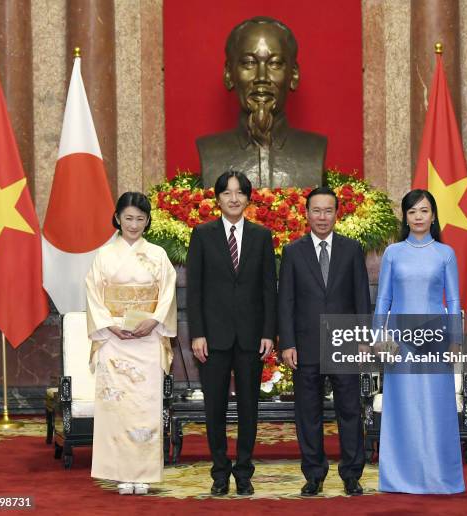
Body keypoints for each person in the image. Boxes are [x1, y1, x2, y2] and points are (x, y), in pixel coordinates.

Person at [186, 171, 277, 496]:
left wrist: (269, 332)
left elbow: (269, 288)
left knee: (249, 408)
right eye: (227, 193)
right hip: (213, 338)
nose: (234, 198)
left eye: (240, 193)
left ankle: (244, 472)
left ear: (249, 198)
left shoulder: (261, 236)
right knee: (215, 409)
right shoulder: (202, 234)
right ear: (218, 198)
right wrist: (197, 333)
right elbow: (194, 290)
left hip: (252, 337)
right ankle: (220, 472)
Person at [278, 186, 370, 496]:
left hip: (345, 342)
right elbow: (285, 301)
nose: (321, 216)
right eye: (316, 210)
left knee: (349, 410)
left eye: (327, 210)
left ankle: (352, 473)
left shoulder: (352, 249)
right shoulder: (292, 252)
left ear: (336, 213)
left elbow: (361, 298)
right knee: (308, 412)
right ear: (306, 214)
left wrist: (362, 338)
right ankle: (314, 474)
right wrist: (287, 343)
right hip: (306, 345)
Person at [85, 192, 177, 495]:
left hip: (147, 337)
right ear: (117, 218)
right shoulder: (104, 255)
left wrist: (154, 320)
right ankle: (120, 472)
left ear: (147, 221)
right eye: (128, 218)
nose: (134, 224)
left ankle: (144, 473)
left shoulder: (158, 255)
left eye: (140, 218)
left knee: (144, 407)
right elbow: (93, 293)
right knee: (118, 407)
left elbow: (166, 293)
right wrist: (110, 325)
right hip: (114, 340)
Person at [375, 189, 464, 494]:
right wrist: (379, 337)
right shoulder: (393, 253)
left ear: (434, 215)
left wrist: (454, 339)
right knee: (403, 408)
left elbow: (453, 300)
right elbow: (383, 299)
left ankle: (439, 476)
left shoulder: (445, 253)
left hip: (435, 340)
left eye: (424, 211)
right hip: (400, 343)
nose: (418, 217)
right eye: (412, 212)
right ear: (406, 217)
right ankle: (400, 477)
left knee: (435, 407)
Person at [197, 16, 326, 189]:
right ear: (229, 74)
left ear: (293, 75)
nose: (262, 77)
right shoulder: (210, 151)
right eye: (249, 63)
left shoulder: (314, 149)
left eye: (275, 63)